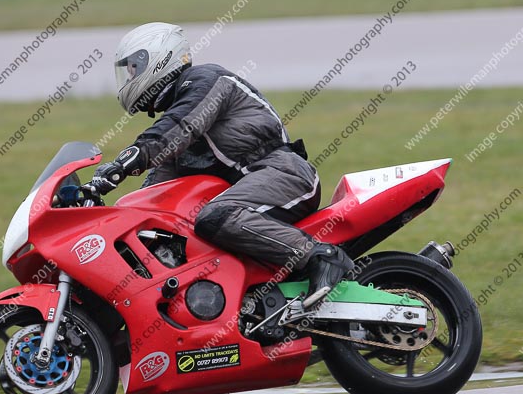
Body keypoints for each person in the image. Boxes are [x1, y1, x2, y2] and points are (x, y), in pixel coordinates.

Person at [84, 22, 353, 308]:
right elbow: (150, 199)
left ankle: (320, 257)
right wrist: (109, 220)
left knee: (215, 216)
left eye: (134, 68)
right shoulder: (181, 137)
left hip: (284, 174)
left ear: (159, 56)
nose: (130, 77)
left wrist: (123, 164)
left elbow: (180, 125)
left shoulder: (206, 80)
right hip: (253, 187)